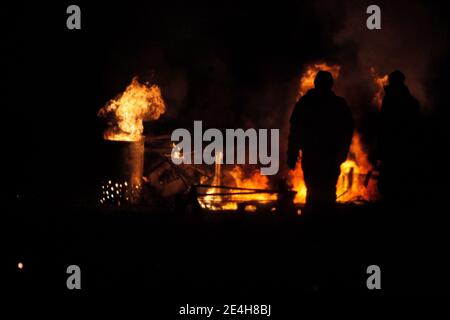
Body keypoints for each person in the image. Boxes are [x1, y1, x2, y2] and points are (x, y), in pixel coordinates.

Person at [287, 71, 354, 211]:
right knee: (327, 192)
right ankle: (324, 222)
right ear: (331, 85)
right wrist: (342, 154)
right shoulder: (338, 104)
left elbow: (295, 131)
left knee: (314, 191)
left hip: (316, 157)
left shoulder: (305, 103)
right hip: (329, 157)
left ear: (315, 84)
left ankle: (313, 222)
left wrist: (292, 153)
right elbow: (347, 131)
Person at [377, 70, 420, 202]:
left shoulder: (391, 100)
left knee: (391, 181)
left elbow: (384, 124)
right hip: (403, 146)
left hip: (395, 146)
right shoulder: (411, 101)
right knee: (397, 180)